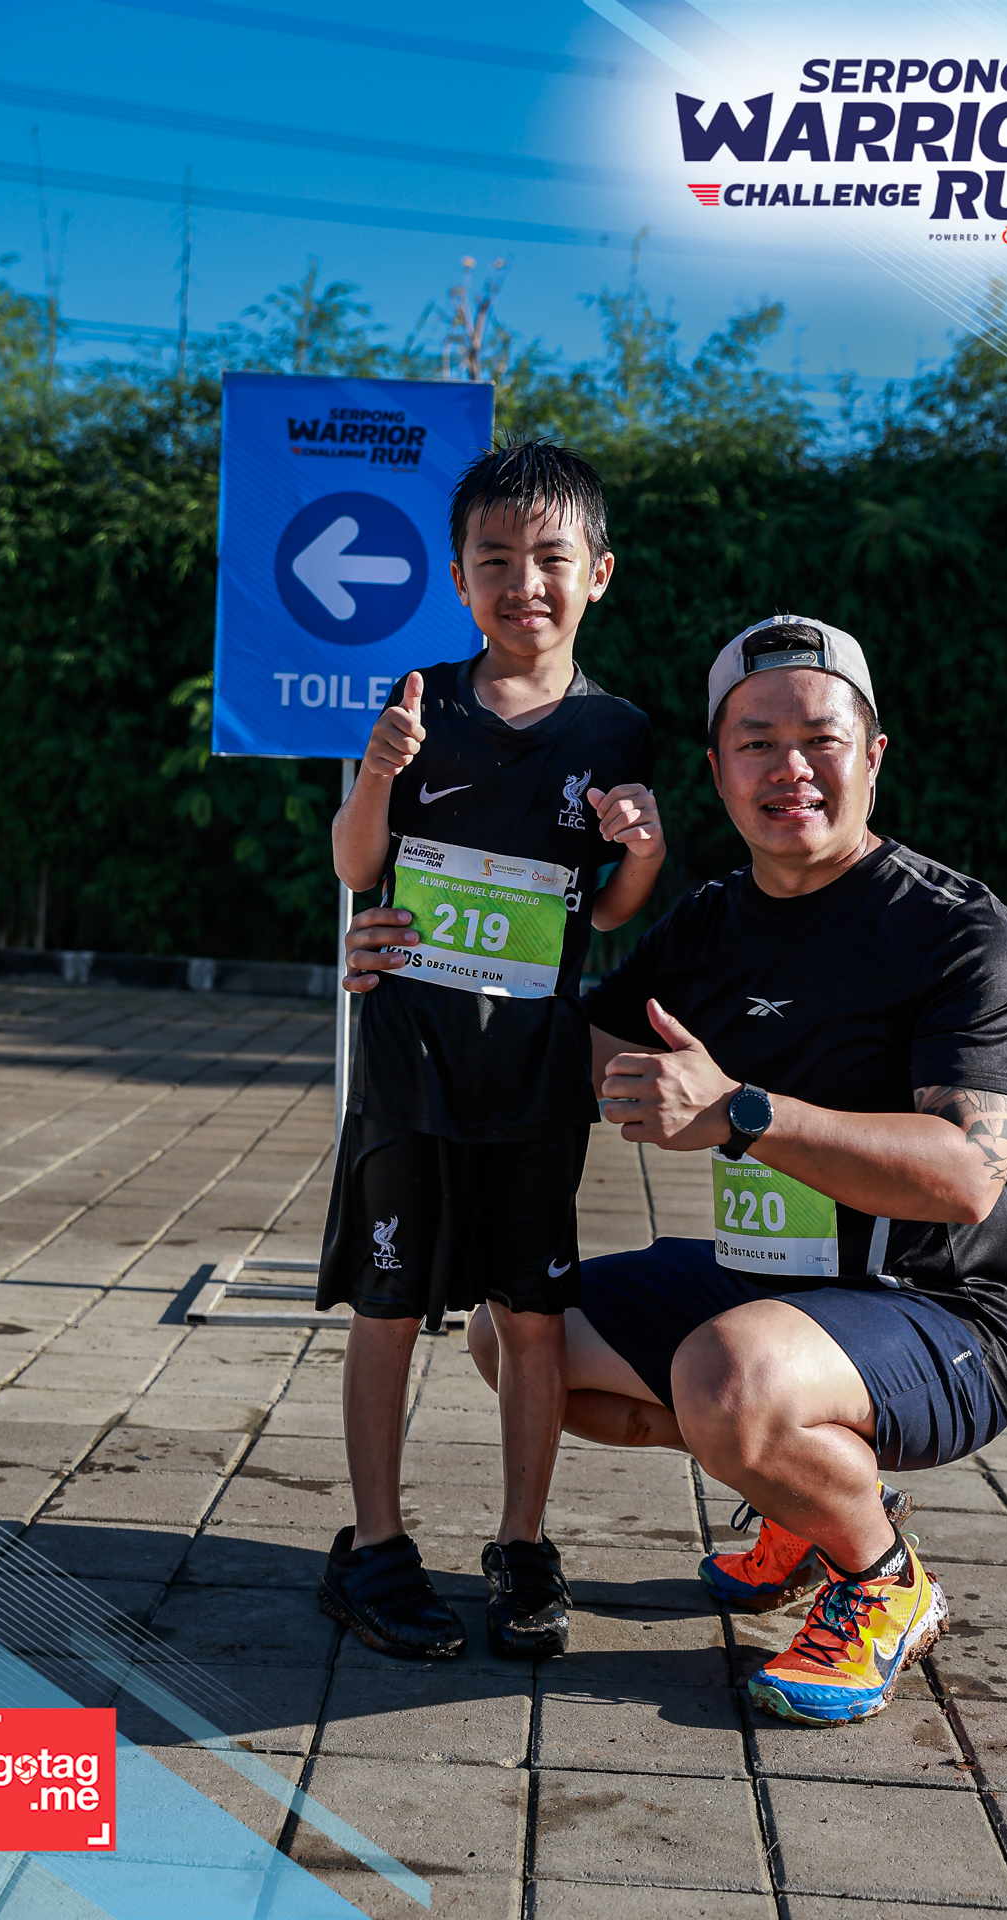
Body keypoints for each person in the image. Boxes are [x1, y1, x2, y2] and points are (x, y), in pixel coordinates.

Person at [456, 613, 1007, 1725]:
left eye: (820, 739)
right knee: (517, 1335)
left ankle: (882, 1579)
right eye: (756, 743)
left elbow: (967, 1175)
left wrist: (740, 1114)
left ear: (872, 755)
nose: (789, 769)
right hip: (763, 1287)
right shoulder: (712, 921)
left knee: (726, 1382)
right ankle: (805, 1497)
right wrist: (417, 965)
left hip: (939, 1312)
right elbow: (573, 1046)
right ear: (718, 769)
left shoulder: (956, 929)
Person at [318, 439, 665, 1663]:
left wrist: (645, 848)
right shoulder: (421, 700)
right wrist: (377, 773)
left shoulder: (618, 729)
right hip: (408, 1060)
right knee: (388, 1305)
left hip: (533, 1076)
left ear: (598, 574)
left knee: (531, 1313)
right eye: (495, 558)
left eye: (550, 558)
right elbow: (357, 865)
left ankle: (522, 1545)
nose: (525, 582)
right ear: (459, 576)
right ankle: (374, 1546)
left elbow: (607, 911)